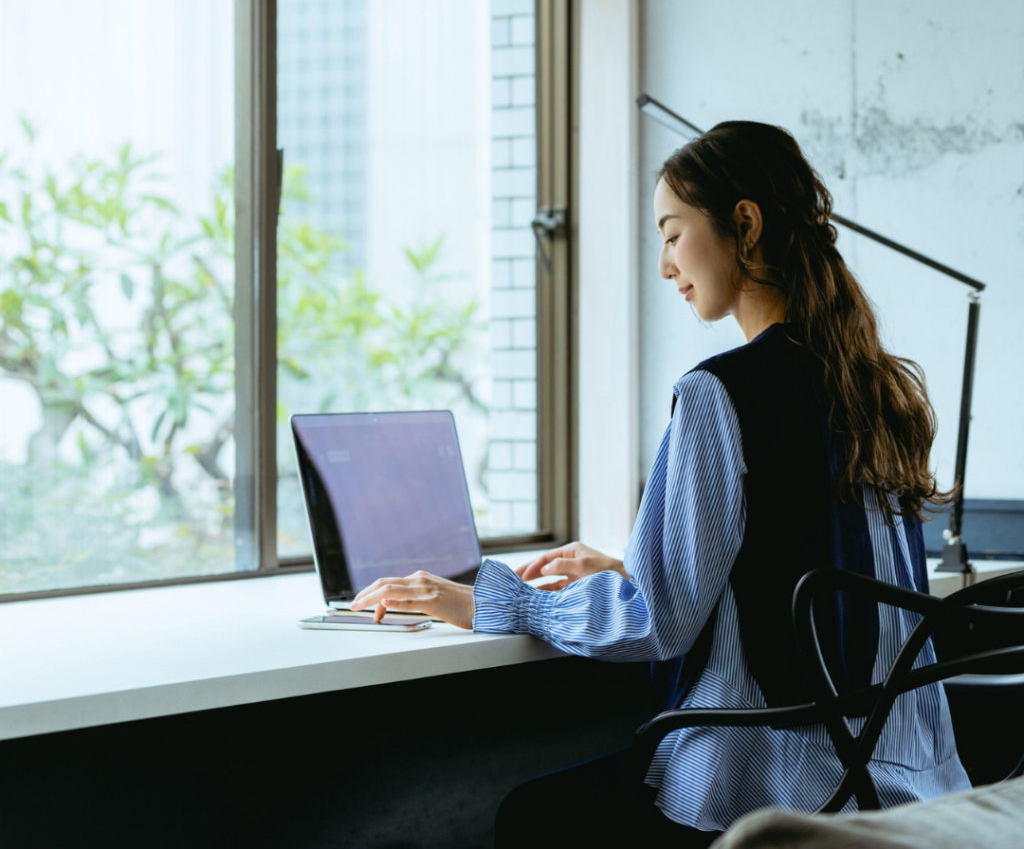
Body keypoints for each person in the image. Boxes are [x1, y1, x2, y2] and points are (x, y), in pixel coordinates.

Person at [349, 122, 972, 846]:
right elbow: (809, 565)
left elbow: (656, 621)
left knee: (533, 817)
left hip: (778, 783)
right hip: (910, 781)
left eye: (673, 235)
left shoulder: (720, 394)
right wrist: (631, 568)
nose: (664, 264)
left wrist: (493, 599)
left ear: (744, 224)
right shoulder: (872, 387)